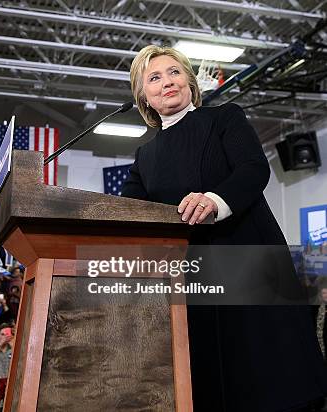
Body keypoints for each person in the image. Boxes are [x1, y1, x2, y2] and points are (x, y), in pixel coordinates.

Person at [123, 44, 327, 411]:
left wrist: (214, 201)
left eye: (174, 72)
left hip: (248, 262)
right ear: (143, 97)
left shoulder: (223, 118)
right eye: (154, 77)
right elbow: (129, 212)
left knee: (271, 380)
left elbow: (253, 169)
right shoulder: (144, 157)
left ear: (188, 80)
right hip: (193, 279)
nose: (167, 81)